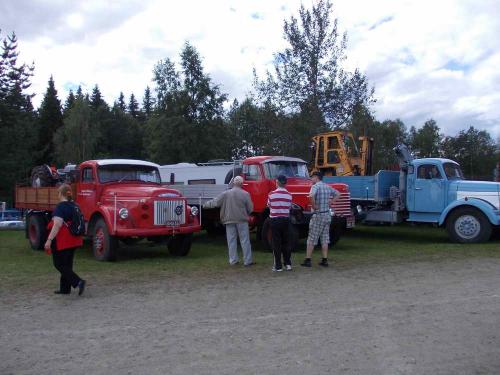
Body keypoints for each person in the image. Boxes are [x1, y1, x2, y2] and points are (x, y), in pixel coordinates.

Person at [44, 184, 86, 295]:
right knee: (67, 264)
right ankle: (65, 289)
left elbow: (57, 224)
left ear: (60, 194)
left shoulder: (60, 207)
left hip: (63, 240)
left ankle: (78, 282)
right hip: (75, 239)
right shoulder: (75, 205)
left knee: (59, 264)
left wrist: (49, 240)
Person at [203, 176, 254, 266]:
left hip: (229, 220)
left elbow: (215, 202)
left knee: (231, 241)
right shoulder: (246, 194)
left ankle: (233, 260)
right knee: (245, 240)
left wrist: (204, 205)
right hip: (242, 220)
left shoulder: (226, 194)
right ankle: (247, 261)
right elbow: (250, 209)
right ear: (242, 184)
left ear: (234, 183)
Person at [301, 171, 340, 268]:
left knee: (312, 238)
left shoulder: (315, 187)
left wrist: (314, 205)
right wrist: (331, 201)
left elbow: (311, 196)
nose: (311, 179)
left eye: (312, 177)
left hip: (318, 215)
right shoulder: (327, 186)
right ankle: (324, 260)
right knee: (325, 238)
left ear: (316, 177)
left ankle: (308, 259)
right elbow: (338, 194)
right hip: (327, 215)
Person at [267, 175, 293, 272]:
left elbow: (269, 205)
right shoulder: (289, 195)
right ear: (286, 183)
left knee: (276, 243)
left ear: (277, 182)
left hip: (275, 220)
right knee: (286, 242)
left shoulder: (271, 194)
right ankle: (288, 264)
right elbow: (289, 207)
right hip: (286, 220)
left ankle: (278, 266)